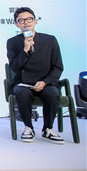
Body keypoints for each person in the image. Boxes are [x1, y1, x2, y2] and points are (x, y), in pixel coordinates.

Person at [6, 7, 64, 143]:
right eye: (21, 20)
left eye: (29, 19)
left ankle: (48, 128)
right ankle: (28, 127)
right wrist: (25, 50)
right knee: (22, 92)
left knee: (52, 93)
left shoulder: (50, 40)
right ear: (17, 24)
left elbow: (58, 67)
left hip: (46, 82)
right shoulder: (12, 42)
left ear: (35, 21)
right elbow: (14, 67)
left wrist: (45, 82)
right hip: (23, 82)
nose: (26, 22)